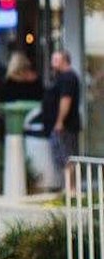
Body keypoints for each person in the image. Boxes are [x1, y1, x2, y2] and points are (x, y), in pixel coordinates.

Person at [42, 50, 81, 180]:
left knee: (67, 157)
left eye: (55, 60)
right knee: (63, 158)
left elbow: (66, 100)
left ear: (64, 60)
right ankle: (68, 188)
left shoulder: (68, 78)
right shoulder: (61, 77)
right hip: (61, 125)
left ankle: (71, 189)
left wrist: (60, 121)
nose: (52, 63)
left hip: (66, 126)